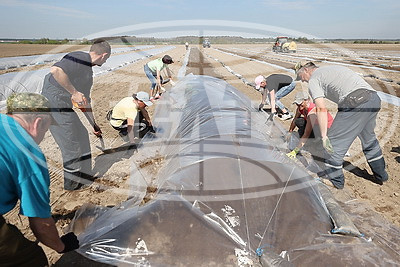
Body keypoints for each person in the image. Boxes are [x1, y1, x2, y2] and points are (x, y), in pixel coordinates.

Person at [0, 93, 79, 266]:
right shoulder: (28, 153)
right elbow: (41, 223)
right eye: (47, 128)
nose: (44, 136)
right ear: (38, 123)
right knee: (29, 258)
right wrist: (61, 246)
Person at [295, 61, 388, 189]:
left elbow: (320, 109)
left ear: (306, 70)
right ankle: (381, 175)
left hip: (355, 103)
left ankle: (336, 181)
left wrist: (324, 137)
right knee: (369, 140)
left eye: (301, 77)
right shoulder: (331, 68)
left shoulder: (314, 79)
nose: (303, 81)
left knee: (331, 145)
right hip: (373, 99)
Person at [41, 39, 111, 191]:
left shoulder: (88, 75)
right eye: (107, 59)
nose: (105, 62)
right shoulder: (79, 57)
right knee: (71, 144)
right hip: (53, 103)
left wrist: (94, 124)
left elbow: (84, 103)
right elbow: (56, 71)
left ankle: (85, 176)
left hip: (63, 104)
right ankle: (72, 186)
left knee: (82, 135)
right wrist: (74, 92)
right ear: (104, 55)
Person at [286, 91, 334, 161]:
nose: (299, 106)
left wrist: (295, 151)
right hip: (314, 126)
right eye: (297, 103)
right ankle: (310, 141)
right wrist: (290, 132)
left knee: (317, 145)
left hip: (326, 128)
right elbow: (295, 119)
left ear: (307, 100)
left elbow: (306, 133)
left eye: (300, 103)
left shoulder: (312, 112)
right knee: (299, 121)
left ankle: (315, 142)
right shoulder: (300, 108)